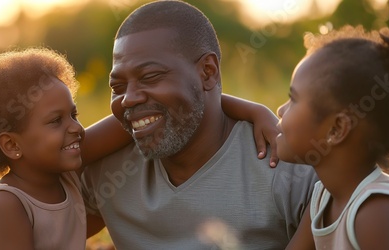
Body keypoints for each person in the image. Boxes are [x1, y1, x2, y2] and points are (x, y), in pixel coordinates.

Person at [0, 45, 282, 249]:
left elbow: (173, 105)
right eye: (56, 121)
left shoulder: (66, 166)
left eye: (74, 114)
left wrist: (253, 111)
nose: (76, 129)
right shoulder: (6, 205)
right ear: (11, 144)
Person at [81, 1, 318, 249]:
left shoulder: (284, 169)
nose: (128, 98)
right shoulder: (107, 175)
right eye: (117, 87)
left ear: (208, 71)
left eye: (150, 77)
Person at [279, 26, 389, 250]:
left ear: (336, 129)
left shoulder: (377, 210)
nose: (280, 110)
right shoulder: (323, 196)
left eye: (292, 99)